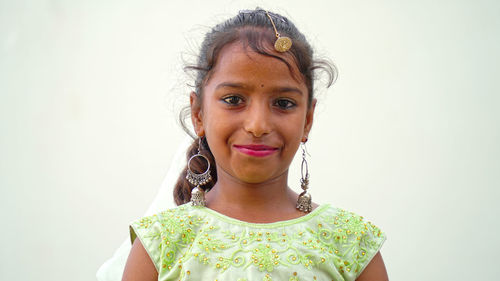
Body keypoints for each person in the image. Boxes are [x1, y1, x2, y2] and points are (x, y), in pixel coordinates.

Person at [122, 8, 388, 281]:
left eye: (283, 103)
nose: (258, 125)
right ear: (198, 113)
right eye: (234, 99)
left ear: (308, 119)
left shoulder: (351, 245)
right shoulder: (161, 245)